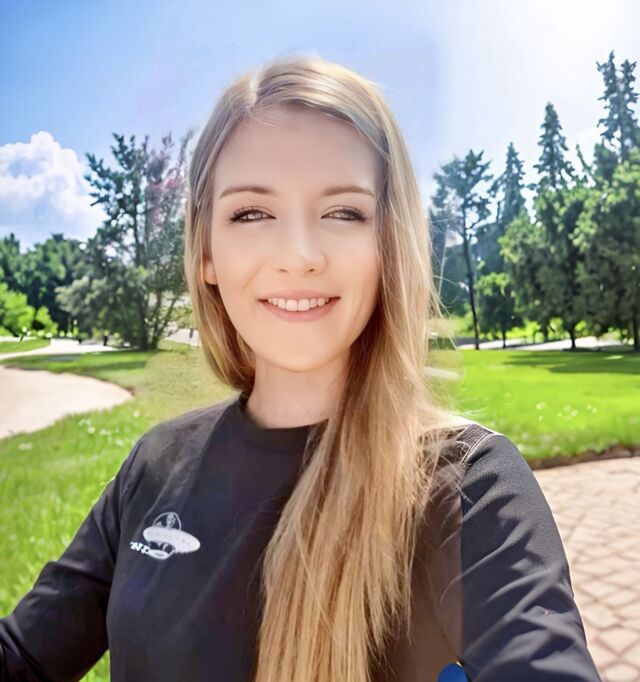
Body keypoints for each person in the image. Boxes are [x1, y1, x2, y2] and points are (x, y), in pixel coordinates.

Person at [0, 54, 601, 682]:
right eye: (252, 213)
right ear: (207, 254)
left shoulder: (469, 488)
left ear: (388, 246)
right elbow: (24, 657)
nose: (299, 255)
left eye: (343, 212)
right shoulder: (153, 465)